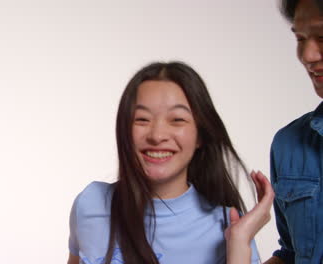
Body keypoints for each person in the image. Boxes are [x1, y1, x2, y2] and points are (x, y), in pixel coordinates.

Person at [67, 62, 274, 264]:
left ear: (200, 135)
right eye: (142, 119)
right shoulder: (91, 203)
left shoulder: (227, 225)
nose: (157, 135)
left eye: (177, 120)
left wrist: (239, 242)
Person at [264, 1, 323, 264]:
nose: (308, 55)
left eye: (322, 37)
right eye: (300, 38)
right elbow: (291, 254)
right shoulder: (288, 144)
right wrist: (239, 243)